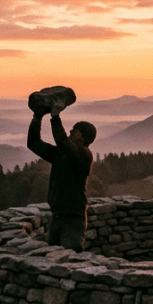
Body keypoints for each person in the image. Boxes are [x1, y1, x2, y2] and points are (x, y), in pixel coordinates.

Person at [27, 103, 97, 252]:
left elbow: (62, 141)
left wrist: (55, 116)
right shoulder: (62, 154)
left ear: (83, 138)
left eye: (76, 131)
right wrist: (37, 118)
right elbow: (33, 144)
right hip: (57, 215)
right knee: (54, 260)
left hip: (73, 218)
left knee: (70, 259)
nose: (71, 131)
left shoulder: (84, 155)